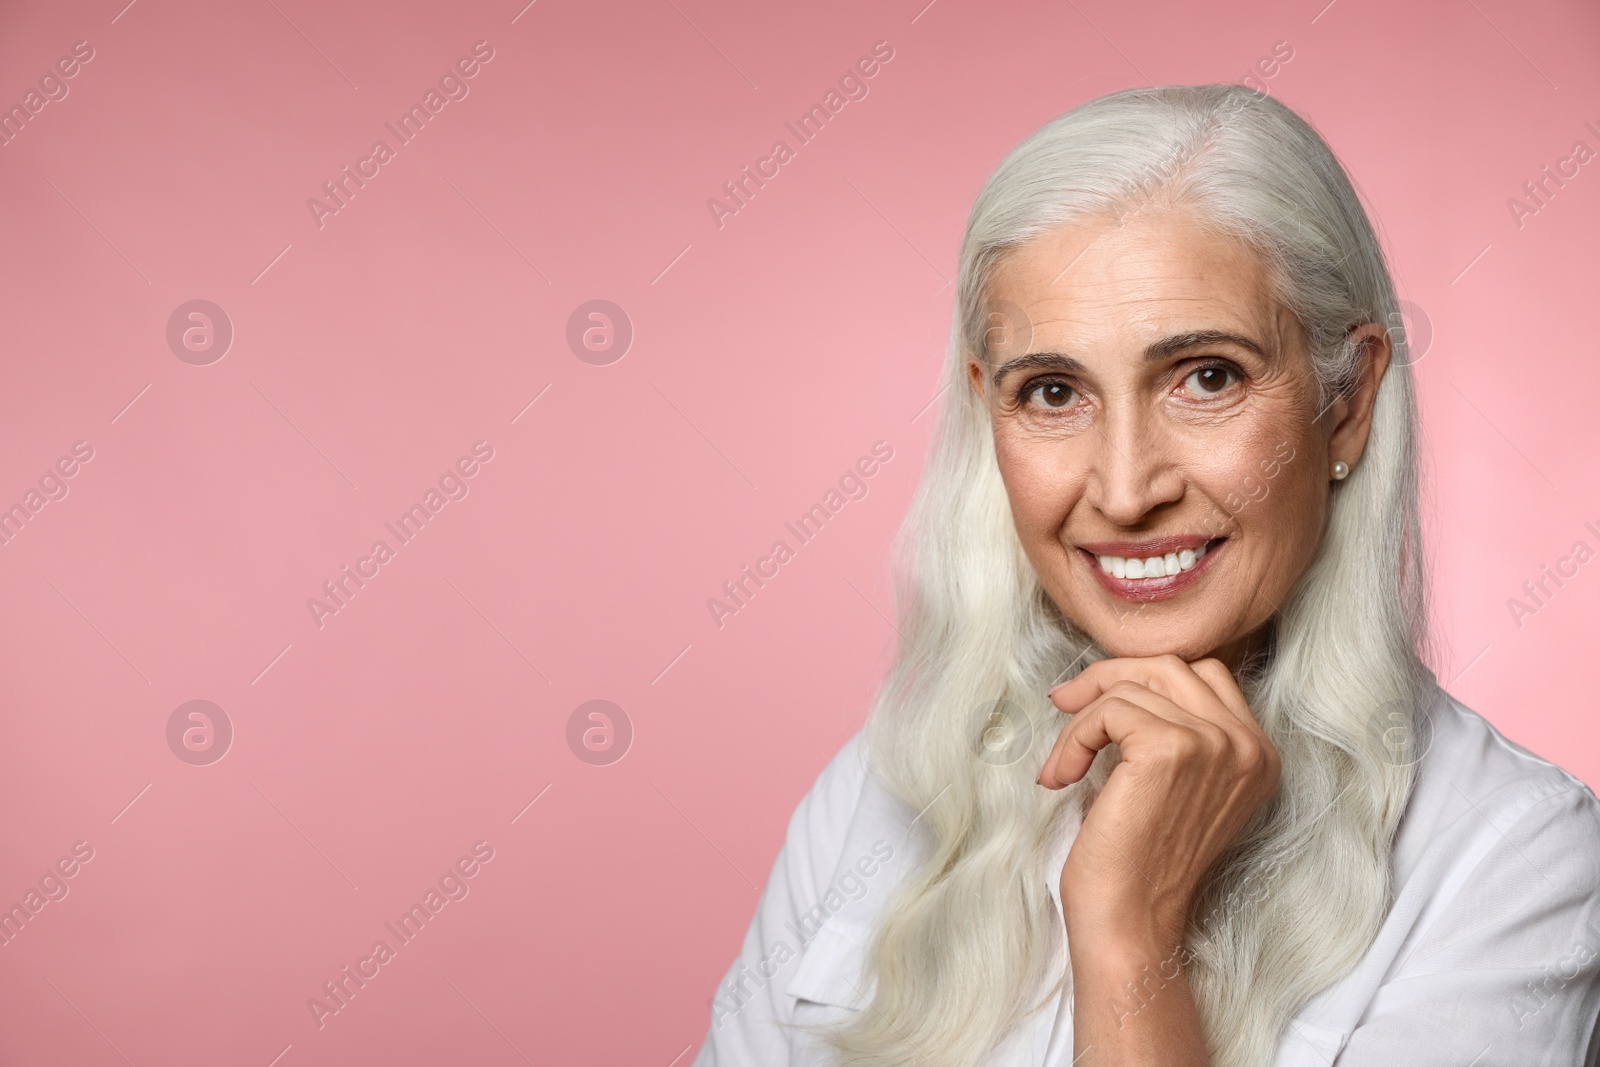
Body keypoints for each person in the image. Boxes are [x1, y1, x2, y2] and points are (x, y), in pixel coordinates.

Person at [691, 84, 1600, 1067]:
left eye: (1205, 376)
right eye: (1050, 390)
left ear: (1347, 402)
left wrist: (1131, 932)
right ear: (982, 410)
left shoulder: (1515, 859)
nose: (1124, 491)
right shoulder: (878, 791)